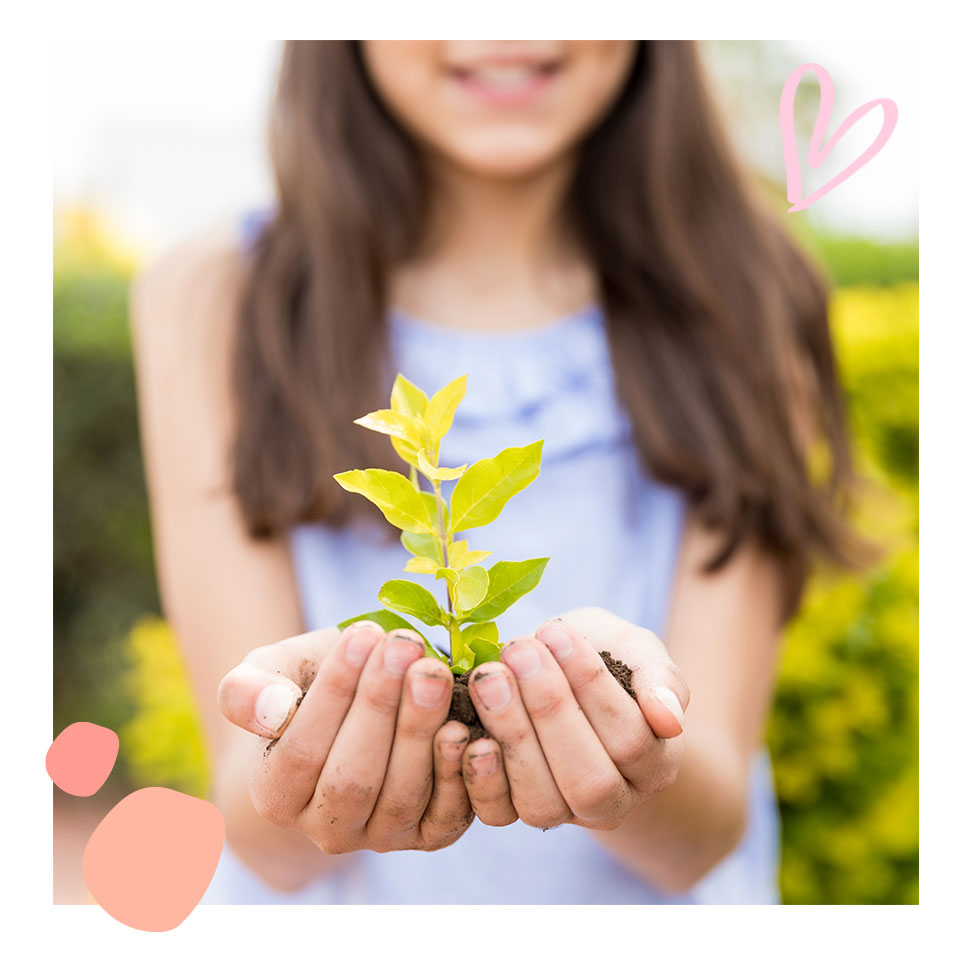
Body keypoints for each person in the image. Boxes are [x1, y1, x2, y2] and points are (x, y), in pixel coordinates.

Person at [131, 41, 860, 904]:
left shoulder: (746, 292)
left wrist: (629, 745)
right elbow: (256, 829)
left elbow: (706, 830)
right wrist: (314, 743)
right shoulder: (217, 297)